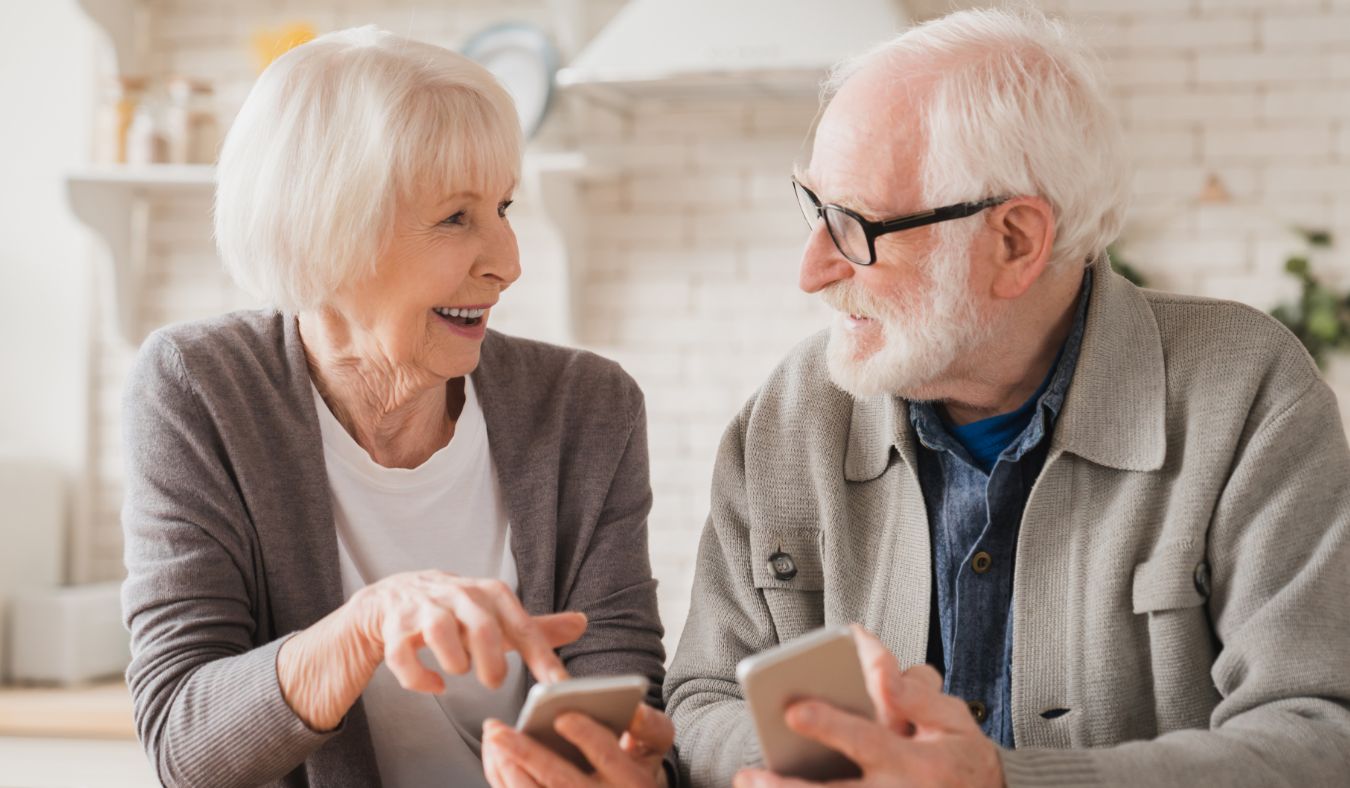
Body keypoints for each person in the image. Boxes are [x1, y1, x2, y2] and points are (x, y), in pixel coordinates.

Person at [664, 8, 1350, 787]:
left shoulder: (1248, 392)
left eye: (855, 225)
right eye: (815, 206)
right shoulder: (786, 417)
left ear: (1016, 241)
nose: (812, 270)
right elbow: (701, 700)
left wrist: (1000, 780)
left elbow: (1320, 732)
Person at [120, 27, 673, 788]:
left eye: (504, 206)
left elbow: (625, 700)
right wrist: (367, 625)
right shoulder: (201, 388)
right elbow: (186, 746)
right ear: (325, 232)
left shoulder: (586, 408)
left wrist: (631, 766)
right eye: (455, 217)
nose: (508, 262)